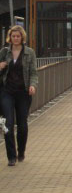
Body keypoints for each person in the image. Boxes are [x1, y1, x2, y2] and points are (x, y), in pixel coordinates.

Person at [0, 25, 38, 166]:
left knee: (22, 125)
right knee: (7, 124)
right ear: (10, 37)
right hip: (6, 92)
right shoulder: (4, 52)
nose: (16, 38)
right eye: (13, 36)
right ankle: (11, 156)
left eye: (18, 36)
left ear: (22, 37)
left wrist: (33, 85)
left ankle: (21, 151)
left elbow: (34, 72)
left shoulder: (29, 53)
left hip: (23, 93)